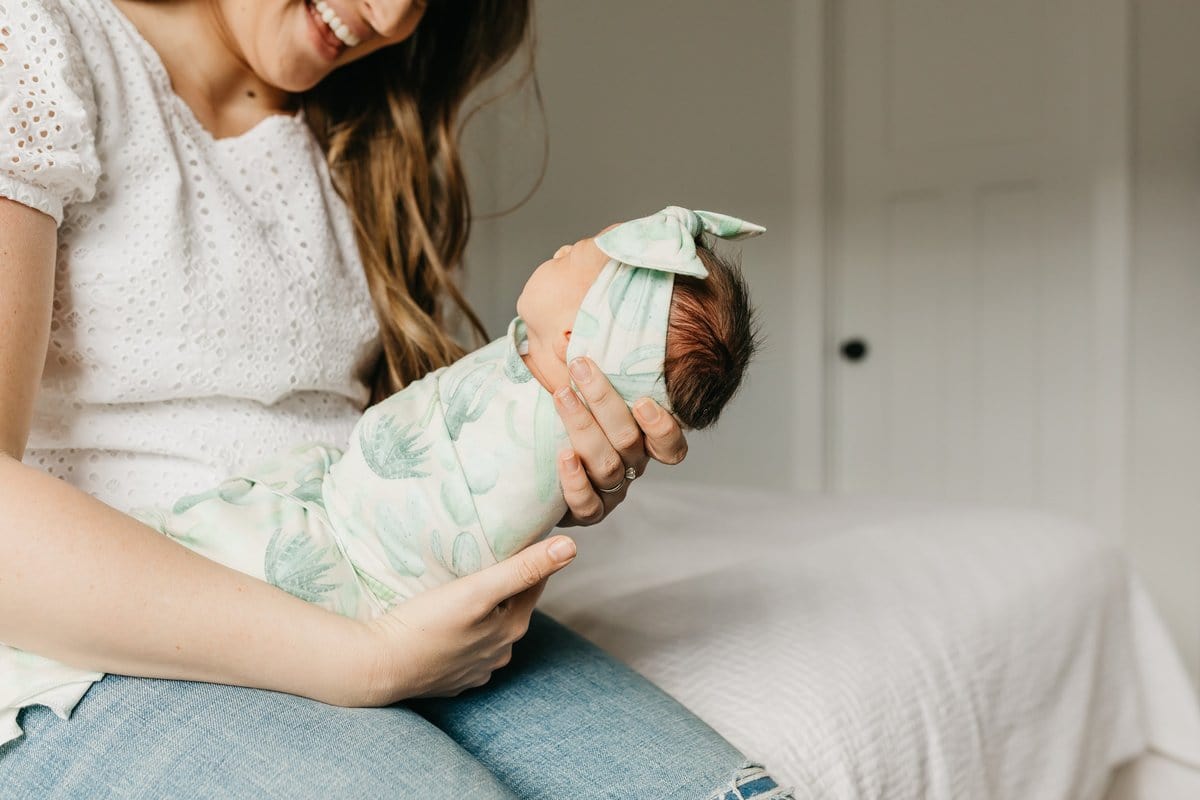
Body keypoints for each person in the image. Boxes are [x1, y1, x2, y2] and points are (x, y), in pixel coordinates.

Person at [0, 1, 793, 797]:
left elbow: (405, 441)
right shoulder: (39, 47)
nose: (387, 15)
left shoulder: (358, 124)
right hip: (105, 637)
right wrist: (370, 659)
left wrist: (524, 476)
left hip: (369, 581)